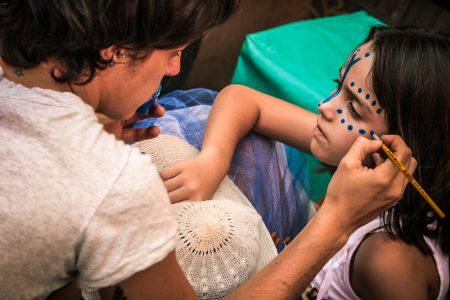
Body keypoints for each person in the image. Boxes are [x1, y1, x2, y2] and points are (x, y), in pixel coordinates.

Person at [0, 0, 415, 298]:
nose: (175, 70)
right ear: (115, 50)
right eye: (175, 52)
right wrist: (335, 223)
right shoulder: (112, 182)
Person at [161, 26, 449, 299]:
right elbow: (242, 99)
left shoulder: (387, 262)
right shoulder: (362, 151)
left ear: (403, 150)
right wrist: (213, 160)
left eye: (353, 107)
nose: (325, 106)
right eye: (339, 86)